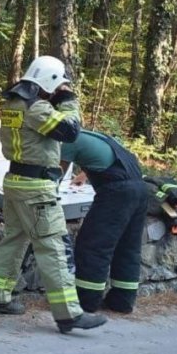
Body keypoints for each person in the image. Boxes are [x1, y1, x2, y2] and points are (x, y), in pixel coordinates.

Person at [0, 55, 106, 333]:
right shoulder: (37, 109)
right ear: (48, 82)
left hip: (15, 182)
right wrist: (68, 99)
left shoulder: (13, 104)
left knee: (13, 241)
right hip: (36, 189)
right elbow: (71, 131)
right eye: (56, 84)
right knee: (54, 247)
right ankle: (69, 314)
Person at [61, 130, 145, 314]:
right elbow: (108, 158)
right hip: (140, 188)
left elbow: (56, 172)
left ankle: (86, 300)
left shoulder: (65, 139)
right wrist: (82, 177)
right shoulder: (93, 136)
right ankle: (123, 300)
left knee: (94, 244)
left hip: (117, 192)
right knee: (128, 246)